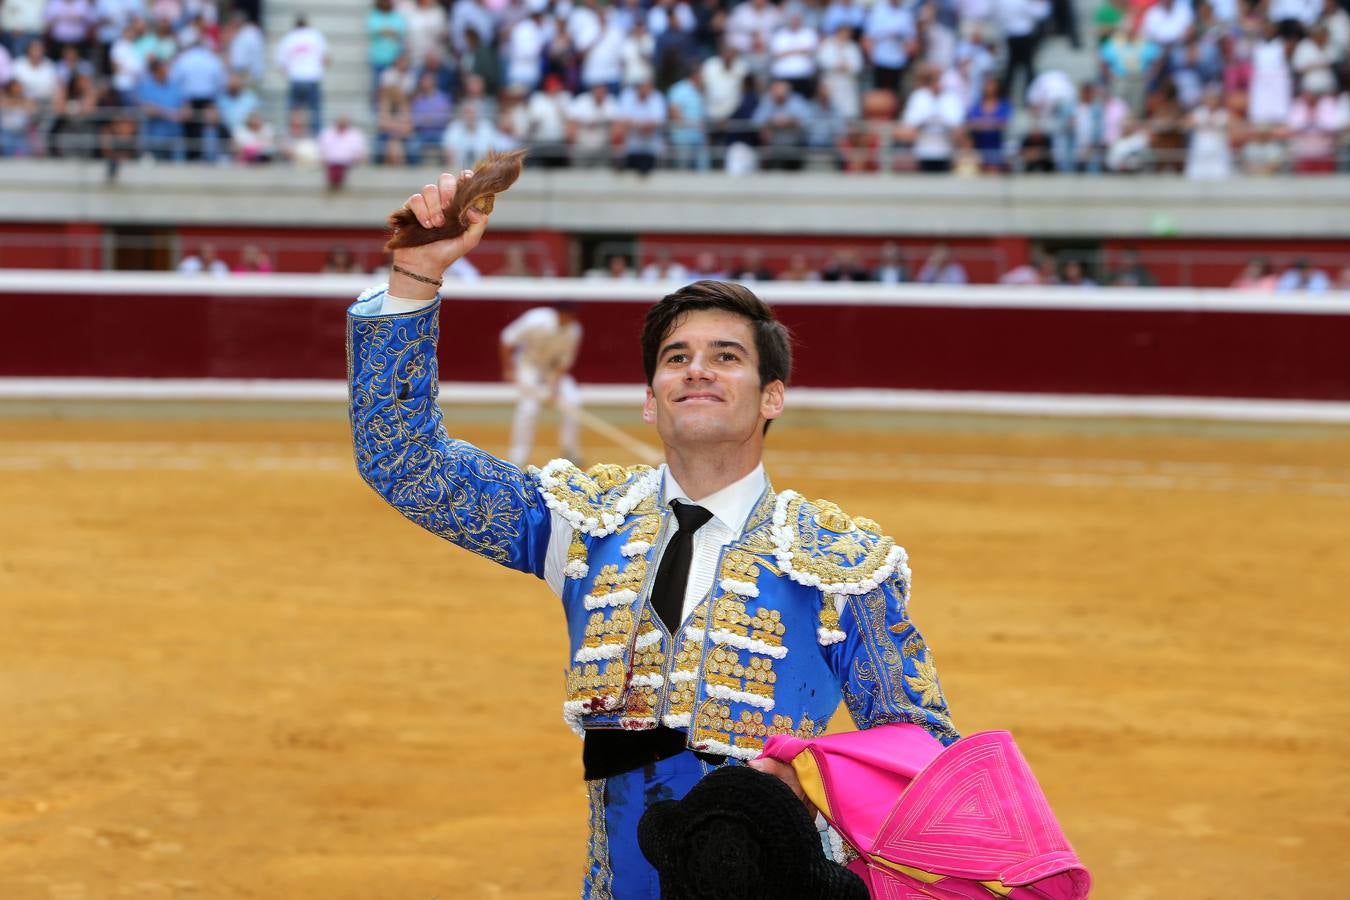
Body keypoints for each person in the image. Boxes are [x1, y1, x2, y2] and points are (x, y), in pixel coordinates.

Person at [345, 171, 958, 898]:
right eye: (676, 358)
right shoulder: (582, 522)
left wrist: (809, 779)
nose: (697, 369)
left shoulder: (839, 562)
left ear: (773, 397)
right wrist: (418, 274)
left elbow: (923, 750)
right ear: (649, 400)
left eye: (726, 356)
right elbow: (406, 461)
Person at [498, 302, 585, 466]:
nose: (570, 320)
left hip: (551, 370)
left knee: (573, 401)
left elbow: (563, 363)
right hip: (527, 365)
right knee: (529, 408)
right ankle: (518, 457)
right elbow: (507, 339)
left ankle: (570, 451)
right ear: (559, 313)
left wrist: (554, 389)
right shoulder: (535, 319)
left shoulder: (574, 331)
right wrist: (508, 369)